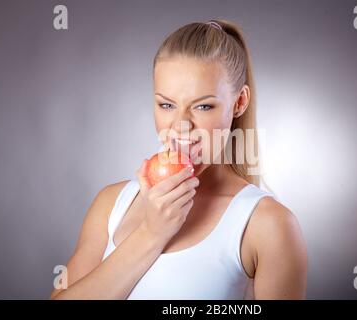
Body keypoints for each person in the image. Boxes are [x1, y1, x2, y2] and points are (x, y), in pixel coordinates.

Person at [50, 19, 307, 300]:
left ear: (239, 103)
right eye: (167, 105)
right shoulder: (110, 204)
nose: (181, 126)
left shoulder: (269, 225)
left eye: (204, 106)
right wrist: (150, 234)